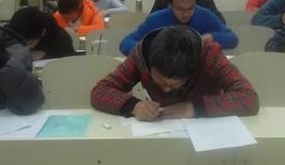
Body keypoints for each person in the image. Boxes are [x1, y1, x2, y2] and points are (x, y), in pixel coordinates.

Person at [91, 26, 259, 120]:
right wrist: (133, 106)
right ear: (151, 64)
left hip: (207, 129)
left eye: (175, 85)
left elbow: (248, 98)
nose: (165, 90)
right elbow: (101, 90)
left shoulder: (210, 54)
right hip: (160, 130)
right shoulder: (141, 54)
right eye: (159, 81)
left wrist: (195, 108)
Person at [120, 0, 238, 56]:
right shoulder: (156, 19)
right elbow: (126, 43)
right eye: (180, 9)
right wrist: (149, 50)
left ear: (195, 3)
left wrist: (213, 37)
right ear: (171, 5)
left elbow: (232, 38)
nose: (186, 14)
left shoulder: (204, 15)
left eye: (190, 8)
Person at [8, 7, 75, 61]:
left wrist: (47, 55)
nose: (26, 47)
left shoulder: (62, 39)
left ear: (43, 33)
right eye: (21, 42)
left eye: (30, 43)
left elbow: (69, 64)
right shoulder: (10, 31)